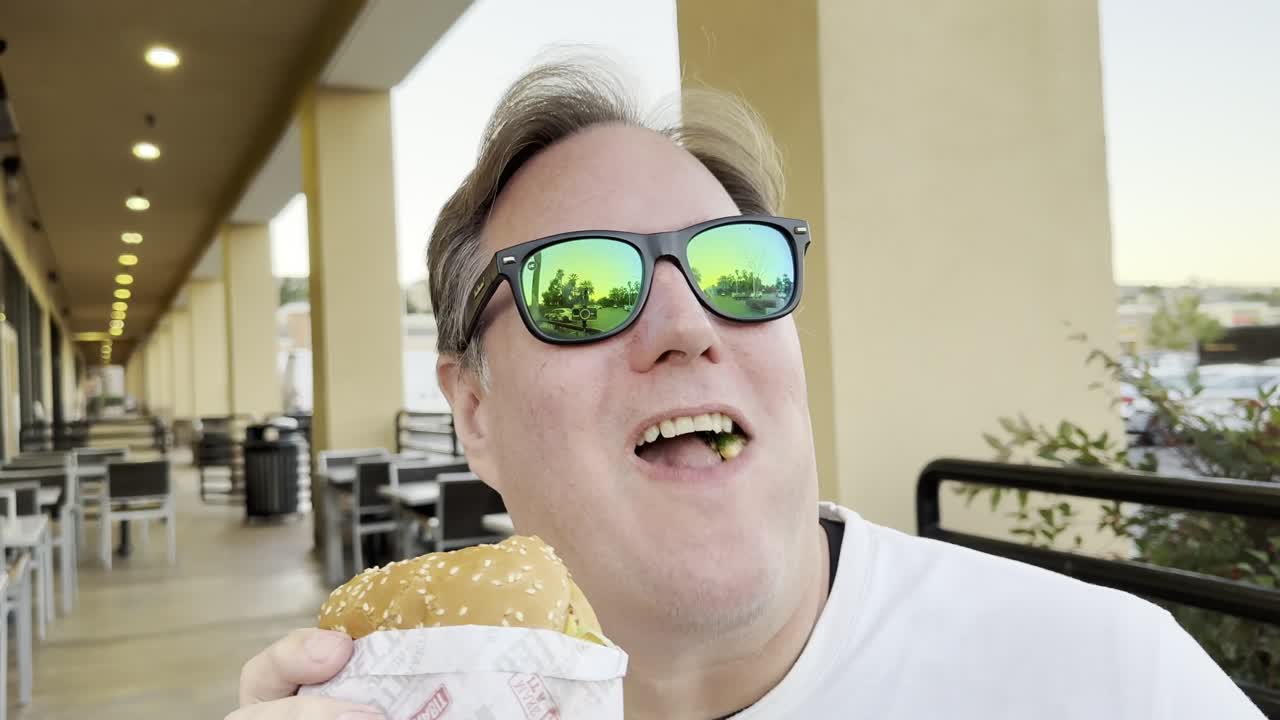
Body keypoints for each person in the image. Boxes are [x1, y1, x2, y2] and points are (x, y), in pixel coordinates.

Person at [229, 60, 1263, 720]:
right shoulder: (412, 699)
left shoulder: (1105, 681)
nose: (686, 326)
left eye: (738, 271)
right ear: (473, 413)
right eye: (580, 289)